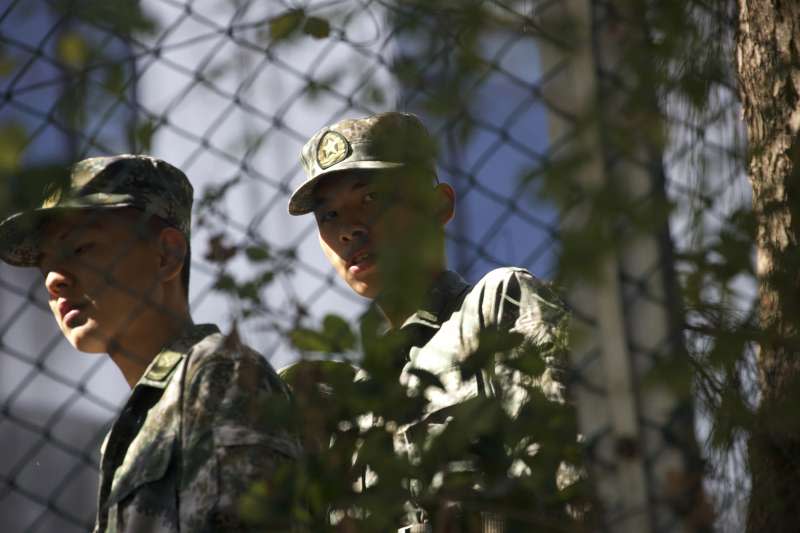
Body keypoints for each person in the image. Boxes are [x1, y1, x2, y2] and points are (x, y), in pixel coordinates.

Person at [288, 112, 573, 532]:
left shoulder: (496, 306)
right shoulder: (356, 404)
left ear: (439, 205)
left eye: (370, 199)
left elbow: (574, 480)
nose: (348, 229)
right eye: (328, 216)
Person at [0, 155, 300, 532]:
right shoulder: (142, 418)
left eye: (79, 250)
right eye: (44, 262)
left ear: (166, 254)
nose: (53, 280)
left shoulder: (218, 374)